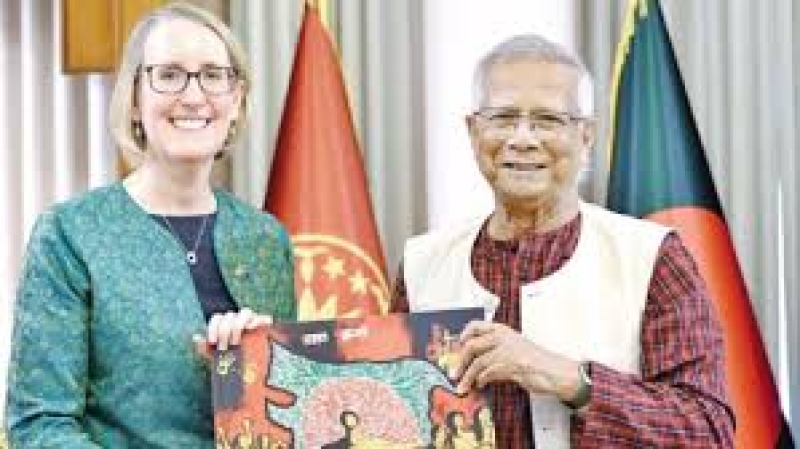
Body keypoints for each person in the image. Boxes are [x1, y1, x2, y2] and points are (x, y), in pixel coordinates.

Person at [391, 34, 734, 447]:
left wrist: (571, 380)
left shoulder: (652, 258)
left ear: (586, 136)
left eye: (547, 120)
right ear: (473, 131)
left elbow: (708, 430)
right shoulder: (422, 263)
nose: (522, 139)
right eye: (503, 118)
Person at [5, 3, 296, 448]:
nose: (194, 96)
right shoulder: (69, 235)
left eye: (213, 75)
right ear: (135, 100)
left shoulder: (266, 240)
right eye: (170, 75)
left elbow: (288, 414)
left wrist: (258, 366)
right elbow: (38, 424)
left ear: (236, 101)